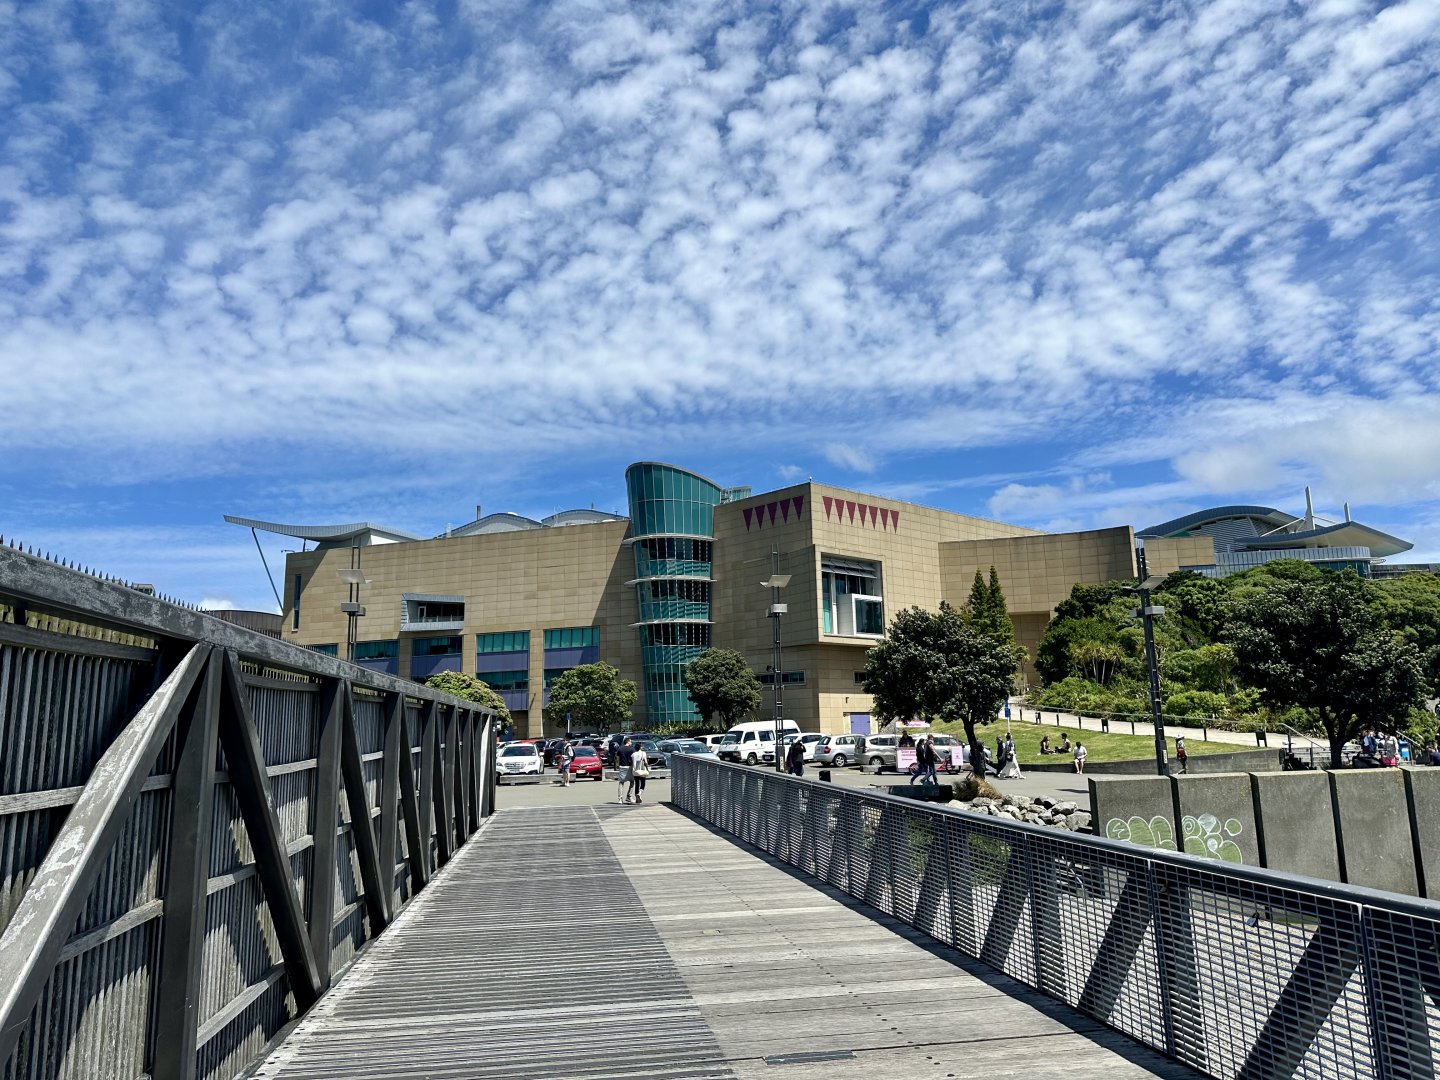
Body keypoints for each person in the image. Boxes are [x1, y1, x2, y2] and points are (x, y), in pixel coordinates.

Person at [617, 737, 635, 804]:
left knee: (621, 783)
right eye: (630, 742)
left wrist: (618, 765)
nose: (631, 743)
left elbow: (618, 758)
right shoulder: (632, 749)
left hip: (622, 766)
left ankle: (620, 799)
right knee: (632, 782)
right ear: (628, 742)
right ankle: (629, 796)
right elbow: (633, 758)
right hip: (630, 767)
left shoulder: (620, 749)